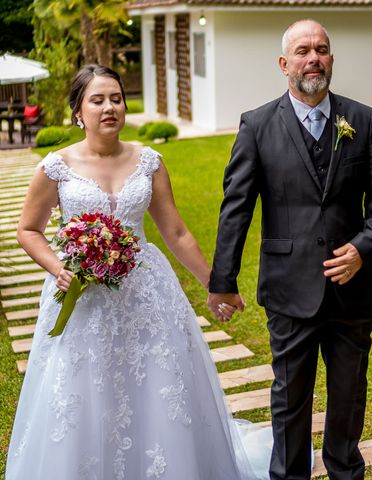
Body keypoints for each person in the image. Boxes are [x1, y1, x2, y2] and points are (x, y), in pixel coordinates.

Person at [6, 64, 270, 480]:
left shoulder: (148, 162)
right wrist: (59, 268)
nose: (109, 107)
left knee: (157, 387)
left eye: (116, 98)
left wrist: (216, 286)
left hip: (146, 293)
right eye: (97, 100)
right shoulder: (55, 167)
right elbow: (28, 230)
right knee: (84, 394)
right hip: (83, 298)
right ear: (77, 111)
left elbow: (177, 231)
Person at [207, 19, 372, 480]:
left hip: (350, 288)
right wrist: (222, 282)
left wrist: (362, 247)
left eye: (322, 49)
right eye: (303, 50)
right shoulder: (257, 125)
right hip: (289, 286)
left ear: (331, 58)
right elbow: (237, 207)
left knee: (349, 392)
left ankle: (345, 471)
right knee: (291, 396)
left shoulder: (362, 118)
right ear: (284, 63)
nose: (314, 58)